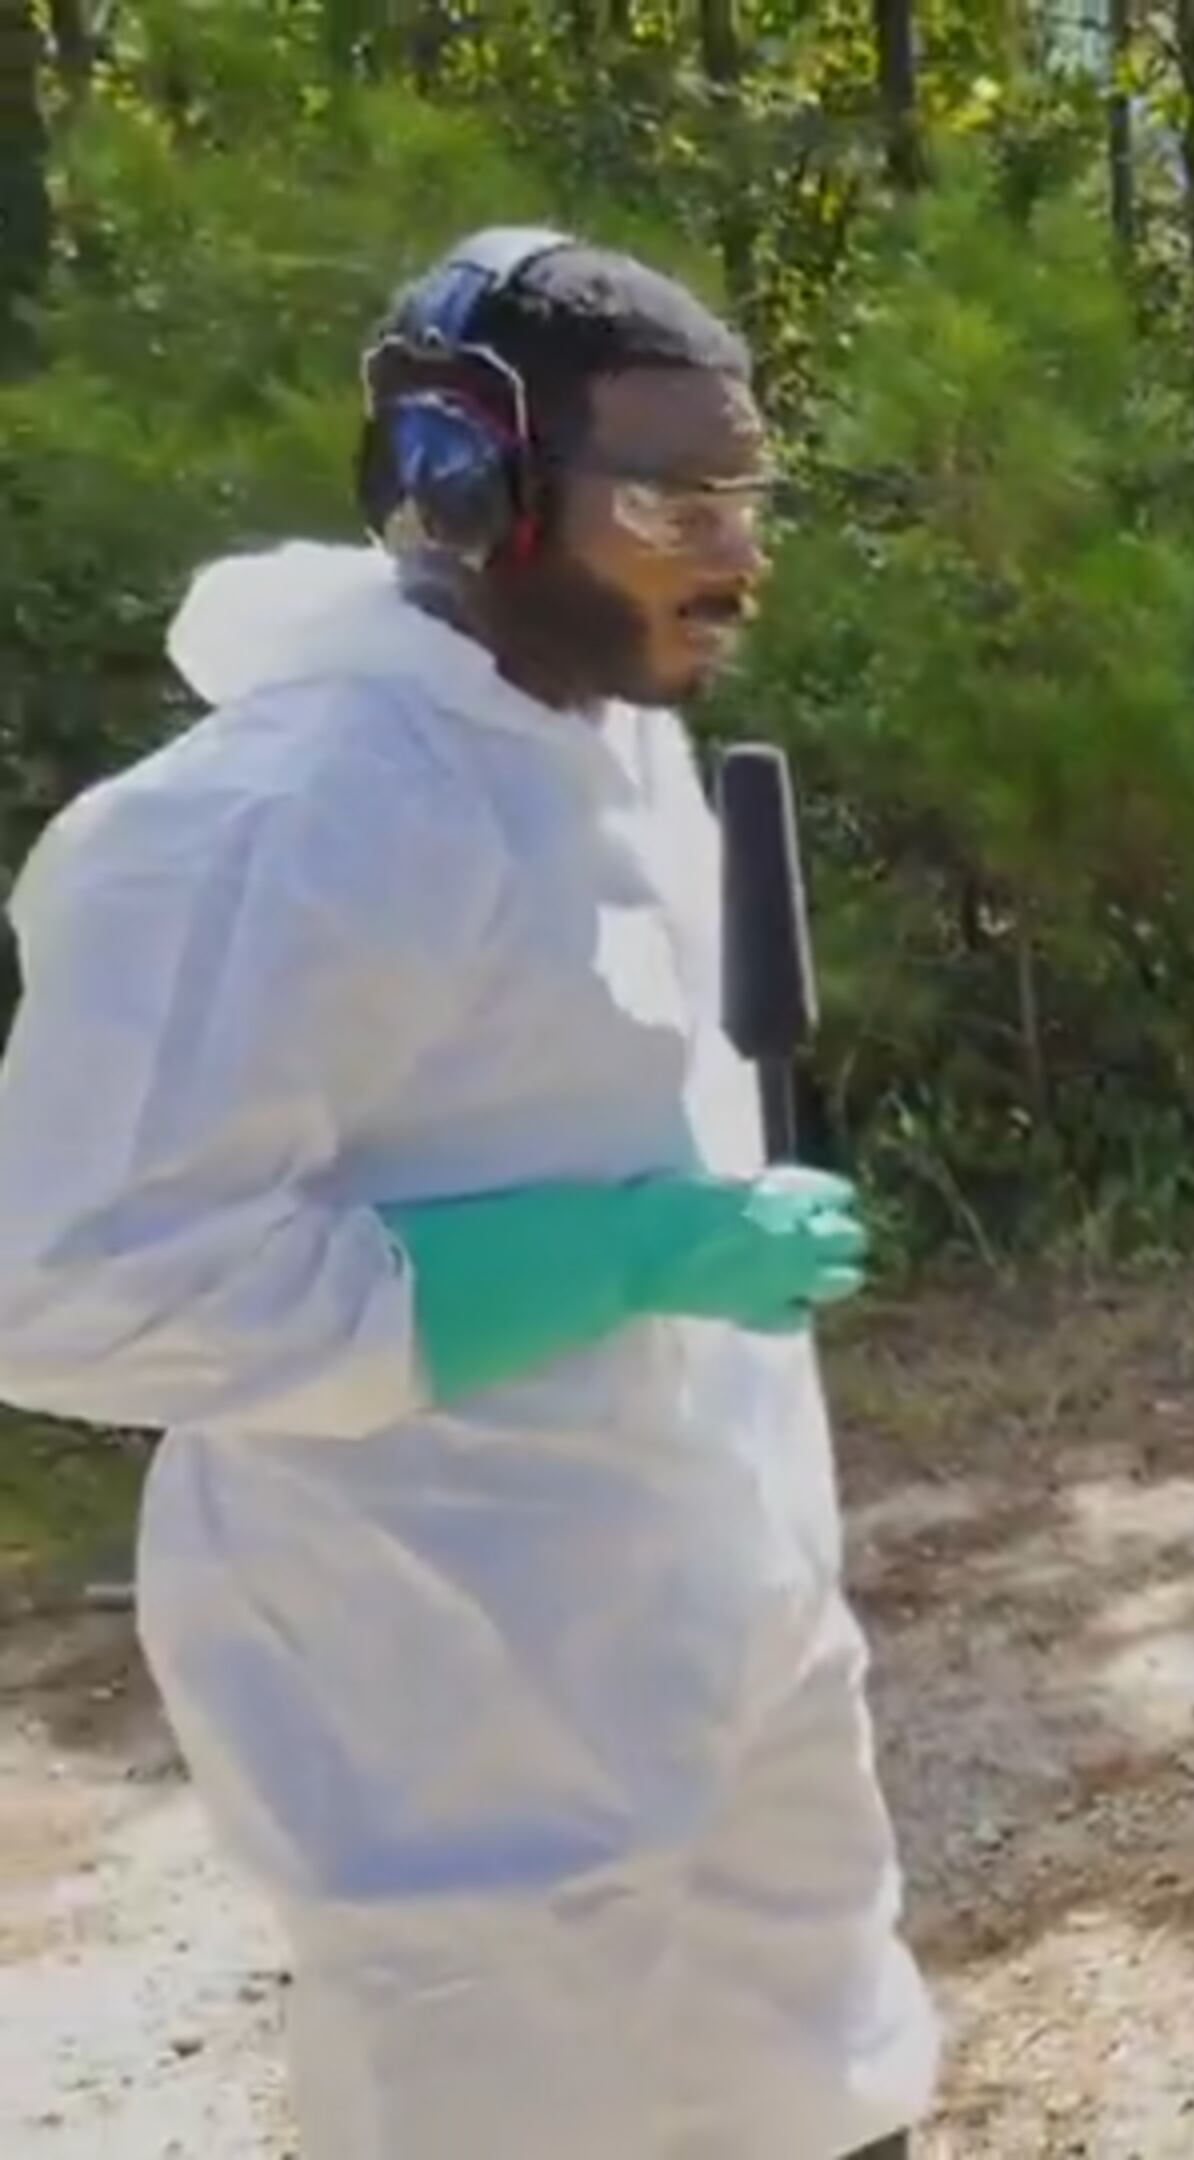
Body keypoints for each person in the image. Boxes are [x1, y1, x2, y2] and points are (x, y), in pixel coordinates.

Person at [0, 232, 935, 2160]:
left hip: (719, 1601)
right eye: (673, 497)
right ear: (464, 490)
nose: (734, 554)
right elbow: (71, 1282)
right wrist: (595, 1261)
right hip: (446, 1691)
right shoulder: (268, 821)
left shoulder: (622, 749)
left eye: (748, 493)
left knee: (818, 2081)